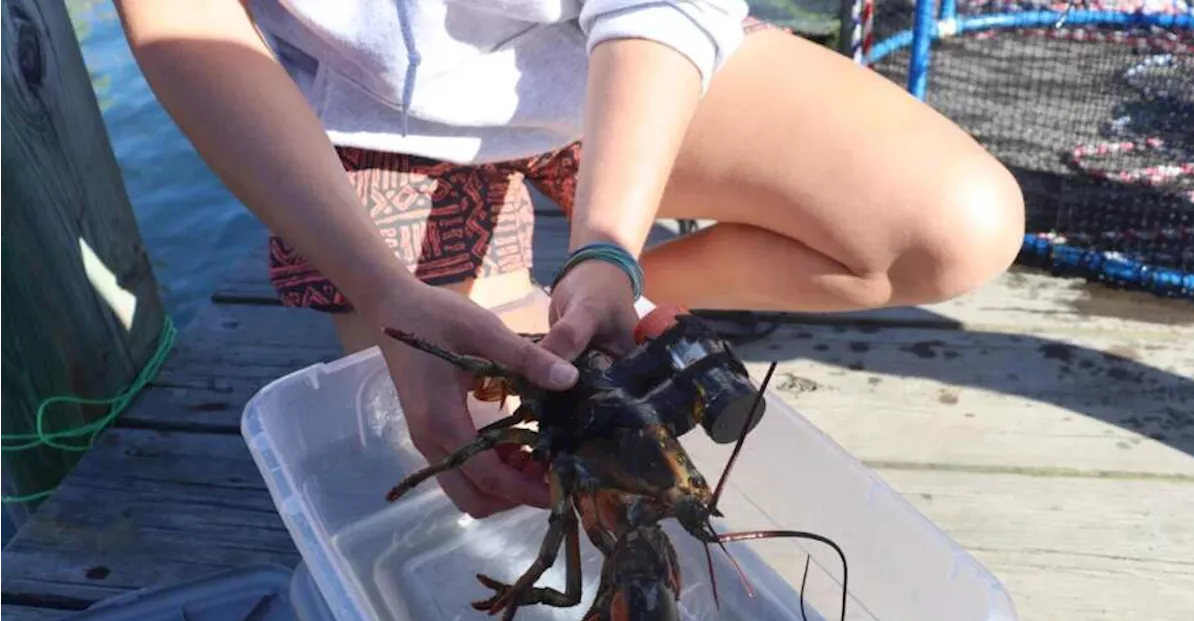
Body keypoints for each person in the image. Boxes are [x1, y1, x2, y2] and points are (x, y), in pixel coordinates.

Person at [114, 0, 1024, 519]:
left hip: (595, 59)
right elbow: (179, 19)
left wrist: (610, 249)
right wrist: (383, 290)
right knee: (465, 473)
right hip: (362, 109)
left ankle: (584, 300)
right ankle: (551, 315)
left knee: (957, 223)